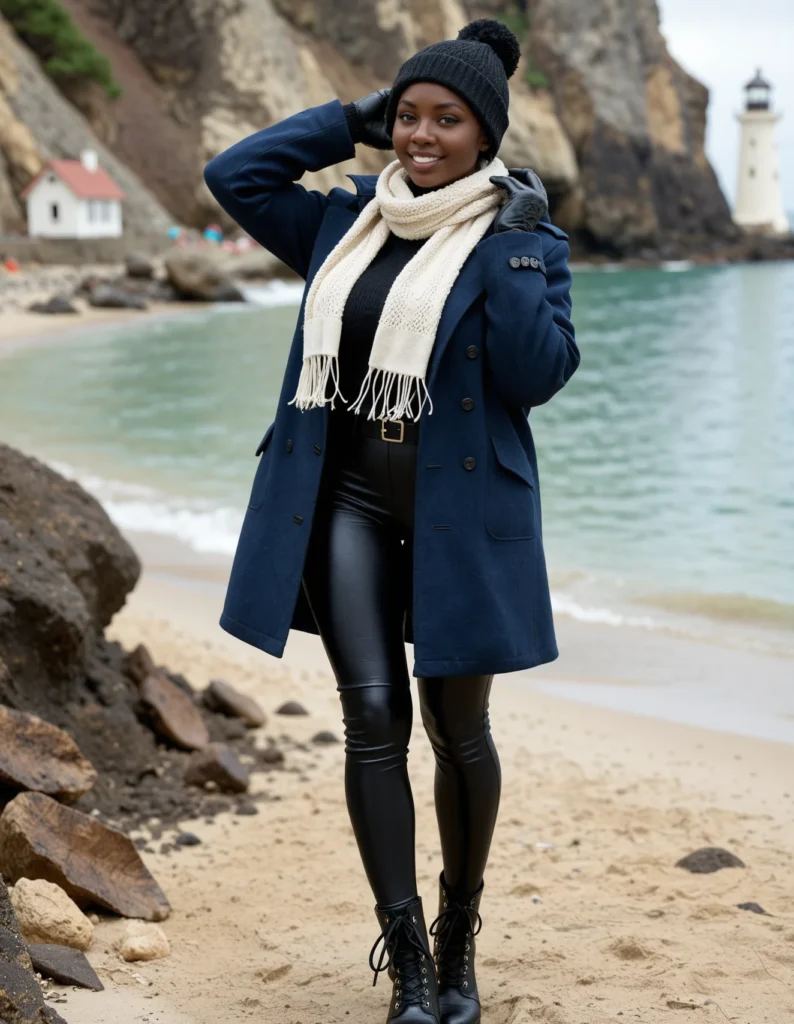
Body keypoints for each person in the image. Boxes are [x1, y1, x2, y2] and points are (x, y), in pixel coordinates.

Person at [204, 18, 578, 1024]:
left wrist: (508, 252)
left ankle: (460, 944)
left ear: (484, 134)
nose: (419, 134)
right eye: (406, 115)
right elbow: (233, 174)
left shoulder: (526, 242)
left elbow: (538, 377)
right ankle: (408, 961)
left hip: (468, 512)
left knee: (460, 731)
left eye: (444, 119)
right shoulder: (341, 223)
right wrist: (344, 123)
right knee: (373, 722)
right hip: (347, 502)